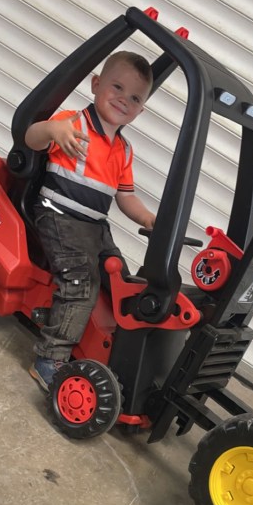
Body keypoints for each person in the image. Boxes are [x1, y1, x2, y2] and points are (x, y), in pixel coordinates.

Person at [24, 50, 156, 391]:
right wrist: (52, 129)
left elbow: (125, 197)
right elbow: (30, 138)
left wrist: (150, 219)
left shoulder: (124, 150)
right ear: (96, 84)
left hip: (96, 228)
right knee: (81, 283)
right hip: (58, 217)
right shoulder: (73, 125)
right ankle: (49, 358)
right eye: (117, 87)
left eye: (135, 97)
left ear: (141, 110)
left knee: (122, 285)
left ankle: (107, 354)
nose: (123, 100)